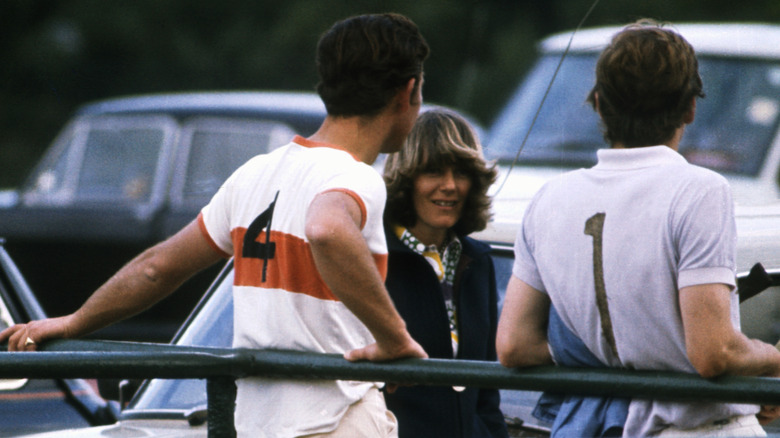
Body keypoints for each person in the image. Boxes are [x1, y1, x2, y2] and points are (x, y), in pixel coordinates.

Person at [1, 13, 430, 438]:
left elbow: (157, 266)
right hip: (338, 419)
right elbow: (327, 228)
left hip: (255, 424)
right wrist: (395, 338)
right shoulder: (357, 178)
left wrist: (75, 321)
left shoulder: (254, 174)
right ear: (407, 91)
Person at [495, 19, 780, 437]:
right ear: (690, 109)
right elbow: (713, 352)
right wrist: (772, 360)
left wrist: (608, 354)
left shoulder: (549, 198)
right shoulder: (700, 191)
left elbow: (513, 344)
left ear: (597, 103)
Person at [382, 109, 507, 438]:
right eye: (434, 171)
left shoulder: (478, 261)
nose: (450, 186)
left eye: (462, 173)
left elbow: (487, 393)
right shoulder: (372, 258)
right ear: (406, 178)